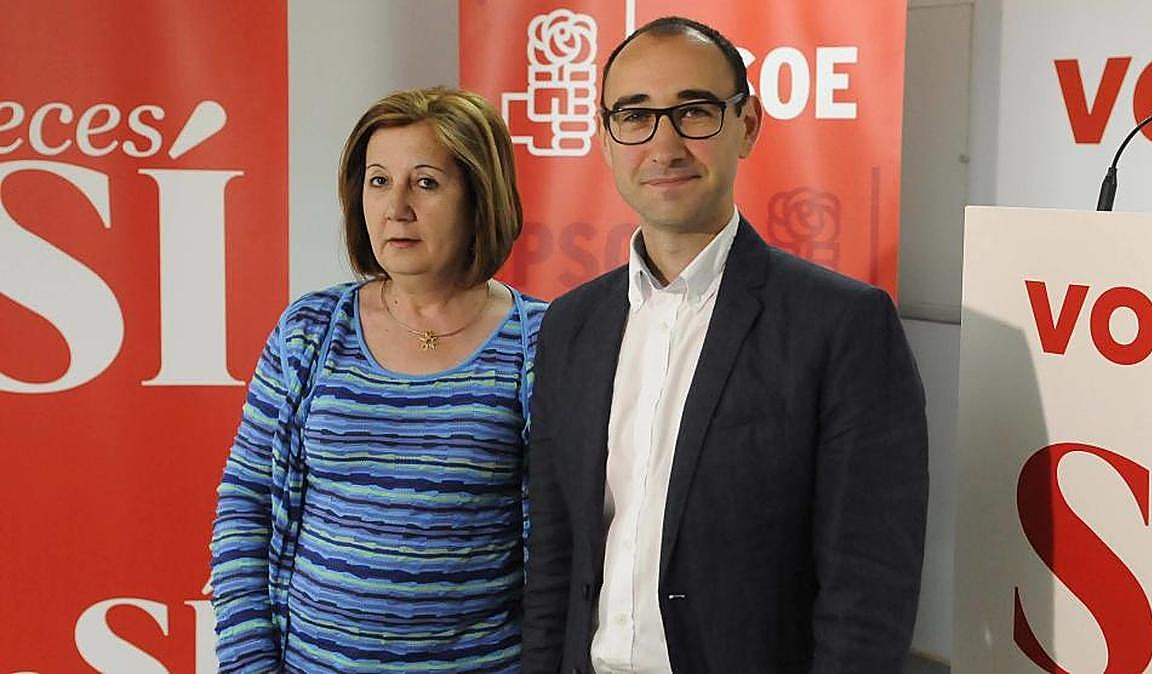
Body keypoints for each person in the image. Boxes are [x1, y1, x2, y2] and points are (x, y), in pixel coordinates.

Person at [522, 16, 928, 673]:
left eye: (694, 112)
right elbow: (554, 556)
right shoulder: (570, 325)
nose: (664, 145)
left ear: (747, 124)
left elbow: (869, 585)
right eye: (635, 116)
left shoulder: (843, 324)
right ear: (605, 136)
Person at [210, 87, 545, 673]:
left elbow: (566, 545)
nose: (396, 208)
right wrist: (249, 664)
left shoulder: (539, 340)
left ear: (480, 195)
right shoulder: (311, 329)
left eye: (426, 183)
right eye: (379, 181)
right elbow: (246, 503)